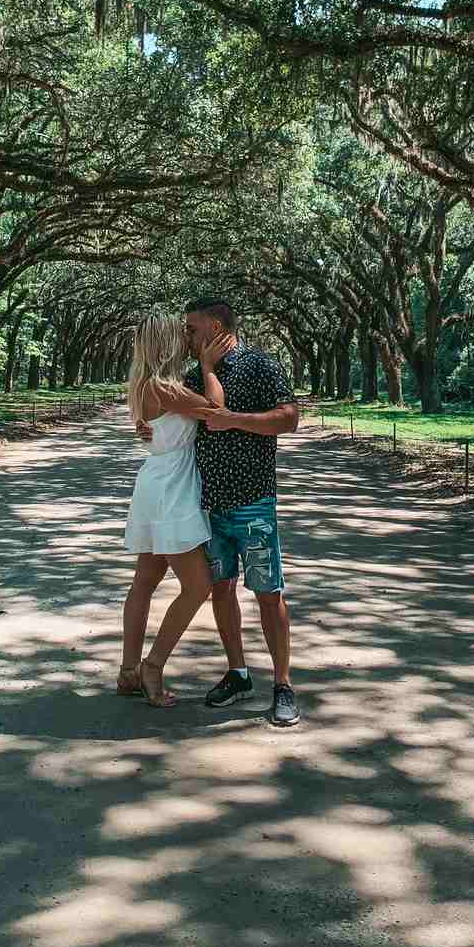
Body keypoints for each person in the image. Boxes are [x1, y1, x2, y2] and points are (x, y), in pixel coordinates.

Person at [137, 299, 302, 727]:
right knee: (221, 589)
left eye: (191, 329)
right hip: (206, 504)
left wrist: (236, 420)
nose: (186, 337)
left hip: (253, 500)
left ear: (214, 326)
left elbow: (289, 419)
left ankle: (282, 684)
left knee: (268, 593)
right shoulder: (194, 376)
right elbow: (178, 419)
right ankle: (238, 672)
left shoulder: (261, 366)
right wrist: (149, 428)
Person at [117, 313, 234, 707]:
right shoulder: (167, 387)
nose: (188, 337)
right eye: (180, 333)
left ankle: (128, 671)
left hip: (156, 481)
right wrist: (207, 366)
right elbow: (217, 413)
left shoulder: (146, 384)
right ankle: (152, 665)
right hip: (173, 488)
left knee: (144, 583)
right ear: (167, 344)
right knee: (198, 586)